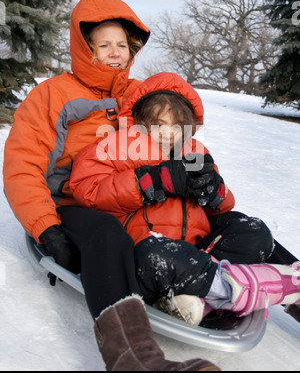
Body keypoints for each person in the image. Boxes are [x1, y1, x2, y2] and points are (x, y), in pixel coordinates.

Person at [3, 0, 220, 372]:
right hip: (75, 203)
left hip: (135, 191)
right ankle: (135, 362)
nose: (115, 53)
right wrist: (47, 228)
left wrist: (205, 182)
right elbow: (22, 166)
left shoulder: (138, 92)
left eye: (122, 44)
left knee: (218, 216)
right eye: (104, 45)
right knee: (106, 233)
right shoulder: (52, 95)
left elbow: (175, 132)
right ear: (85, 48)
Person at [70, 72, 300, 326]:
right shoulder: (115, 146)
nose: (168, 133)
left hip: (198, 253)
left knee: (253, 231)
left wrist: (214, 191)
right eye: (159, 124)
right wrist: (152, 181)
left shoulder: (195, 152)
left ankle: (203, 295)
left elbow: (224, 207)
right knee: (160, 256)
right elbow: (88, 191)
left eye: (177, 126)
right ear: (140, 120)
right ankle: (243, 288)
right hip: (147, 254)